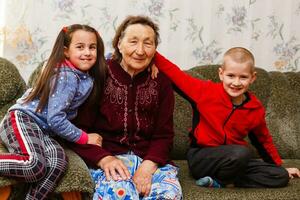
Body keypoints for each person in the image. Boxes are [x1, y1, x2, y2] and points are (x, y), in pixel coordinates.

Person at [70, 15, 182, 199]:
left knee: (168, 195)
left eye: (148, 43)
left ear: (155, 49)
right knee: (120, 194)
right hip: (109, 159)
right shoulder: (98, 76)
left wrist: (147, 168)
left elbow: (164, 135)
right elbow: (77, 130)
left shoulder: (161, 82)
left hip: (151, 162)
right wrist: (104, 159)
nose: (140, 50)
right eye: (133, 42)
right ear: (119, 44)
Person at [153, 47, 300, 188]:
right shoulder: (205, 92)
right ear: (221, 74)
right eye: (231, 76)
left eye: (243, 77)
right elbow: (175, 73)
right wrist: (148, 51)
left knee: (280, 176)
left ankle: (222, 182)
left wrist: (278, 166)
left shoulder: (255, 108)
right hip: (202, 158)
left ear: (252, 78)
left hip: (234, 162)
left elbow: (264, 141)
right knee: (242, 152)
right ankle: (226, 180)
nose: (236, 83)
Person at [0, 24, 106, 199]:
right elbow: (56, 119)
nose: (87, 52)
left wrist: (151, 65)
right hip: (21, 120)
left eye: (92, 47)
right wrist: (86, 138)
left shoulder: (81, 74)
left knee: (58, 162)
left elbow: (112, 60)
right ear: (66, 51)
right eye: (80, 47)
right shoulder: (67, 76)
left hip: (43, 130)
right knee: (33, 165)